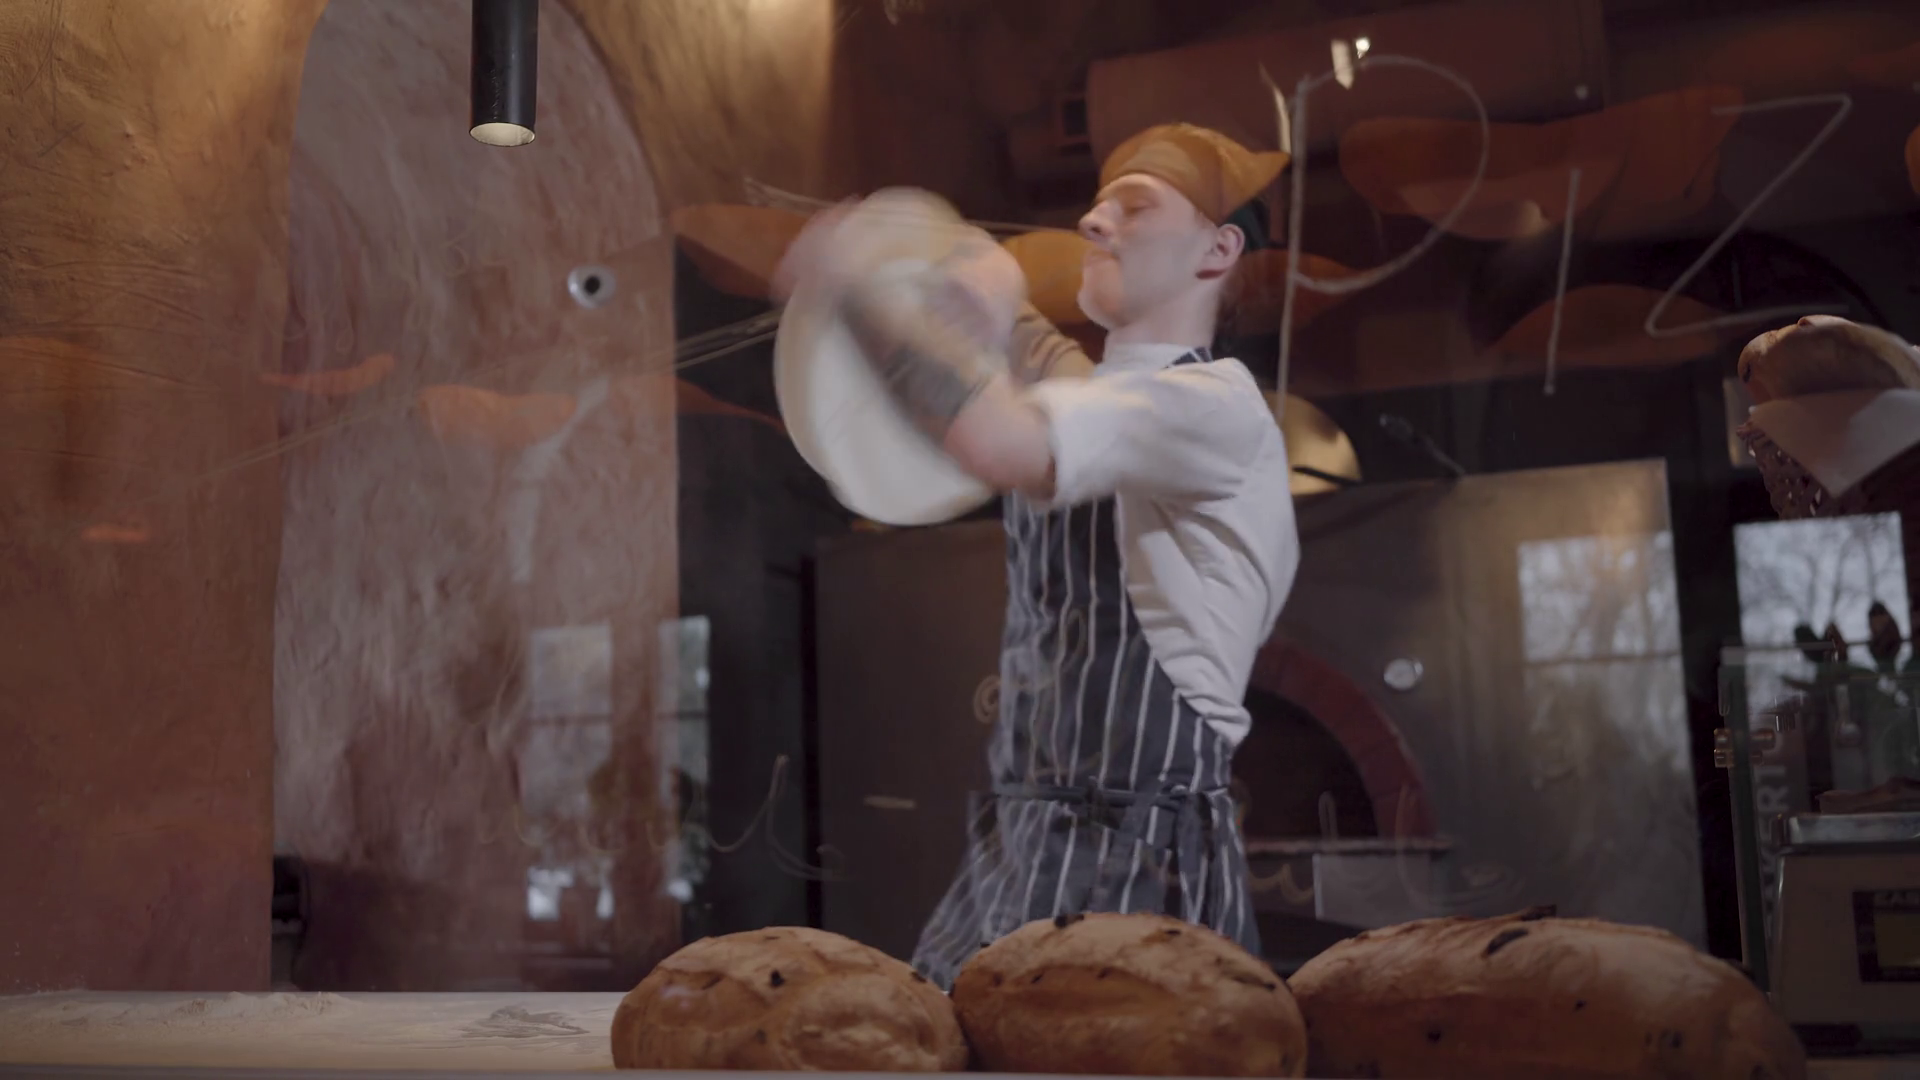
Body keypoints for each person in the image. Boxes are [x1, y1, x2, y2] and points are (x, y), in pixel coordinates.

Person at [776, 123, 1299, 987]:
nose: (1092, 222)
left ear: (1217, 250)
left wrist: (854, 286)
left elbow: (994, 439)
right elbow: (1054, 373)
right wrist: (983, 283)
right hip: (1021, 841)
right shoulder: (1109, 402)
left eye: (1134, 207)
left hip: (1136, 861)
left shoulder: (1213, 407)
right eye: (1096, 205)